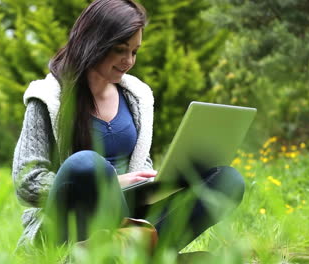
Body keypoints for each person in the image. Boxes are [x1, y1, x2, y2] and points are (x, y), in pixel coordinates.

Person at [12, 0, 245, 254]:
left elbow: (139, 164)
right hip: (71, 218)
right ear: (93, 42)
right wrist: (111, 182)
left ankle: (132, 252)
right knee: (86, 164)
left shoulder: (137, 97)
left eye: (134, 51)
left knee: (227, 179)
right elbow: (27, 180)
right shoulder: (48, 97)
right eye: (120, 49)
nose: (129, 60)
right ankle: (133, 251)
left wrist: (156, 181)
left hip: (129, 209)